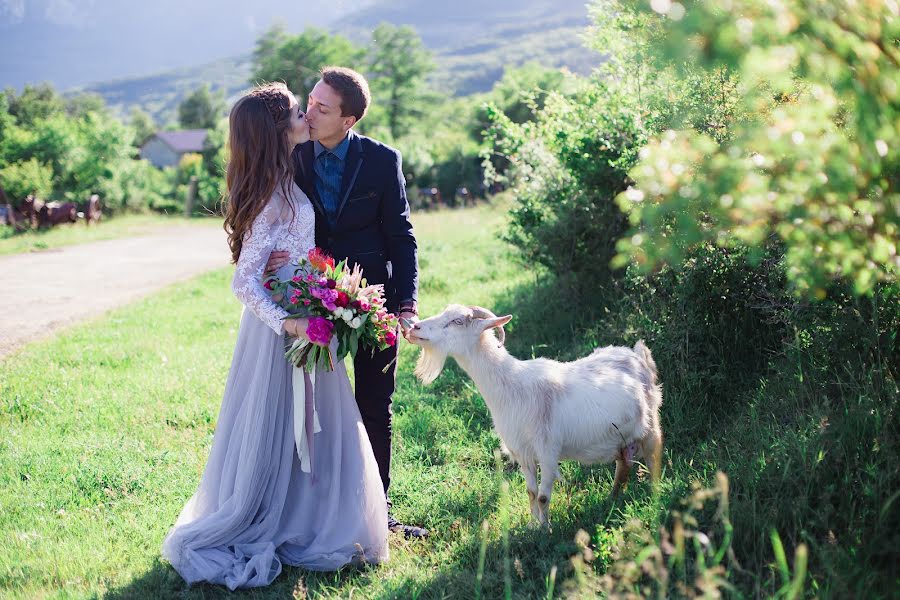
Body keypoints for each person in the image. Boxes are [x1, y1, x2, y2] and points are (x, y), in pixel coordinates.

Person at [161, 82, 389, 591]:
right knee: (281, 425)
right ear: (276, 131)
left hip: (305, 310)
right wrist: (289, 322)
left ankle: (306, 514)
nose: (306, 114)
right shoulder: (271, 194)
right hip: (282, 327)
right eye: (295, 111)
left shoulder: (288, 175)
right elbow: (243, 280)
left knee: (311, 427)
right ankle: (280, 519)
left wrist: (317, 285)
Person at [267, 66, 428, 539]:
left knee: (375, 405)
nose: (309, 112)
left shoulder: (382, 160)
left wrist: (405, 306)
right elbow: (270, 212)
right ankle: (315, 511)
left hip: (372, 302)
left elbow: (402, 238)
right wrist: (273, 253)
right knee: (312, 408)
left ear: (349, 120)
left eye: (322, 108)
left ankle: (380, 512)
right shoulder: (292, 155)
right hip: (310, 301)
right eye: (310, 101)